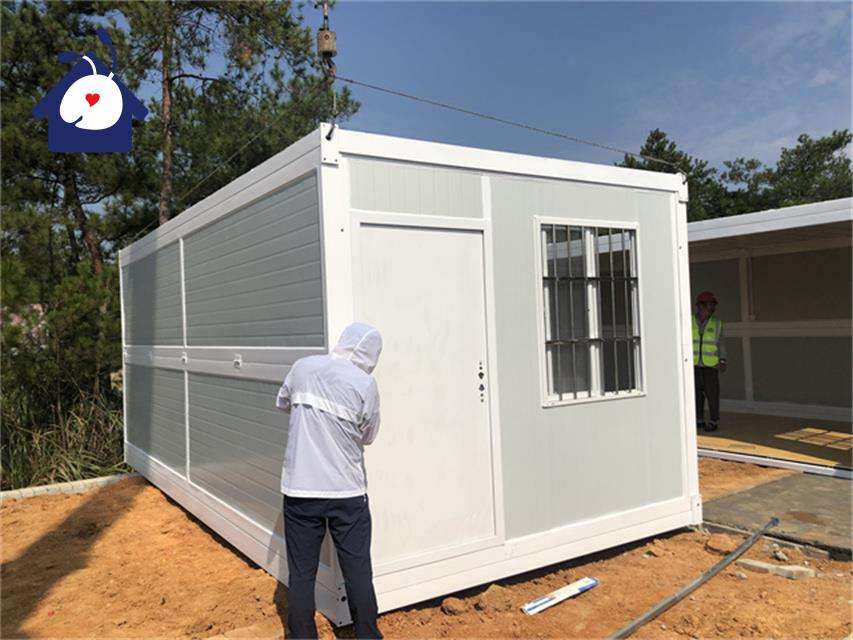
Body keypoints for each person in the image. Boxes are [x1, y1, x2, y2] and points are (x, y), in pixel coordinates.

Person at [275, 322, 384, 639]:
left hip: (300, 490)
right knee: (357, 571)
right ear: (371, 355)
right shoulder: (365, 384)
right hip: (347, 492)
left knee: (302, 573)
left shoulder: (302, 367)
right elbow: (369, 436)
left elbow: (283, 403)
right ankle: (367, 635)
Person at [693, 291, 727, 432]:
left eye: (713, 305)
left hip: (711, 365)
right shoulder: (689, 321)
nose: (712, 308)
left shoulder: (717, 324)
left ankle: (713, 421)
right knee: (696, 394)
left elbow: (721, 344)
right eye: (709, 305)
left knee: (712, 394)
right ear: (700, 306)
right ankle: (699, 419)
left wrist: (722, 360)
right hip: (693, 364)